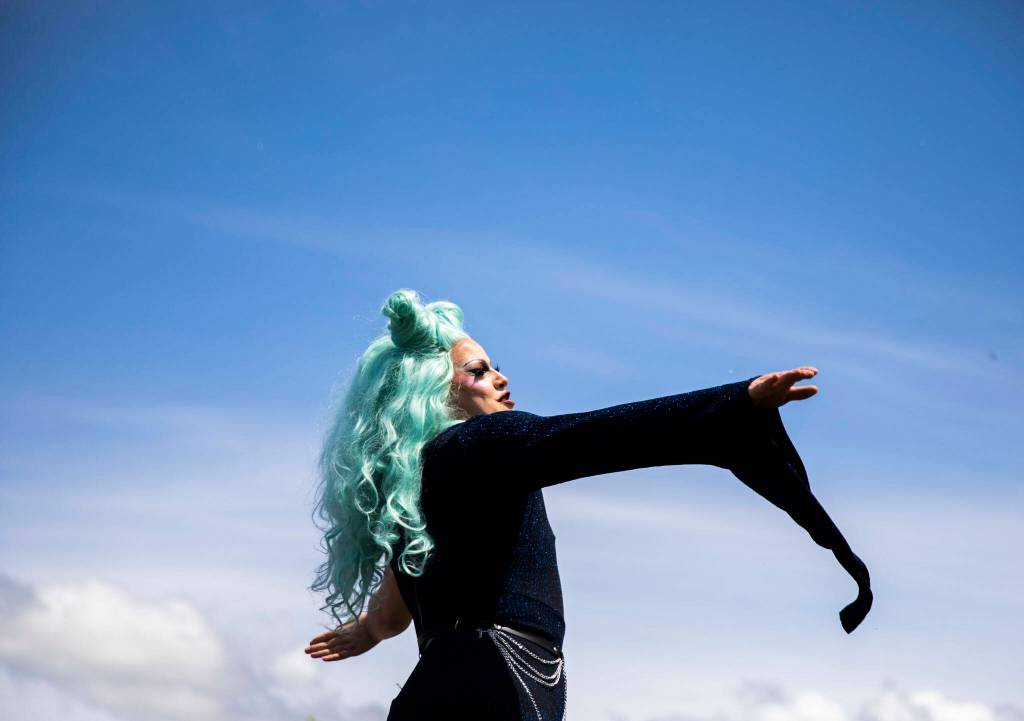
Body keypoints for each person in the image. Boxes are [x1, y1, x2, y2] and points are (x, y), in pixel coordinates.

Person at [304, 289, 872, 721]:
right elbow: (595, 438)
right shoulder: (479, 444)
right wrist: (732, 404)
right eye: (478, 371)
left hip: (450, 678)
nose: (501, 378)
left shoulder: (416, 479)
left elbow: (399, 605)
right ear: (432, 392)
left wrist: (371, 632)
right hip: (496, 680)